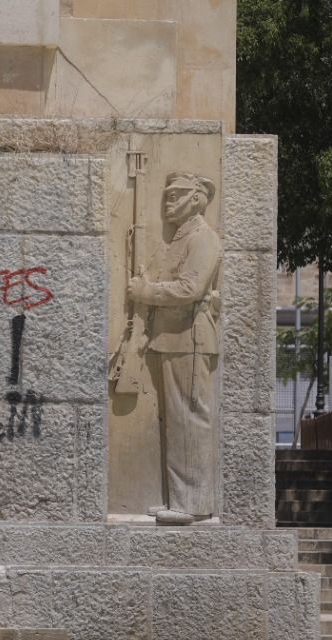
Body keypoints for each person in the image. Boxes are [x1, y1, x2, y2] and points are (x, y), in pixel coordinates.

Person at [125, 172, 223, 525]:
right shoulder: (181, 238)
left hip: (191, 340)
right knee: (176, 420)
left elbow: (190, 289)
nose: (169, 200)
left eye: (178, 194)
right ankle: (181, 498)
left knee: (190, 418)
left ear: (197, 199)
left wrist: (146, 291)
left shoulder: (203, 239)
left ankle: (192, 503)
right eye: (166, 194)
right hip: (173, 338)